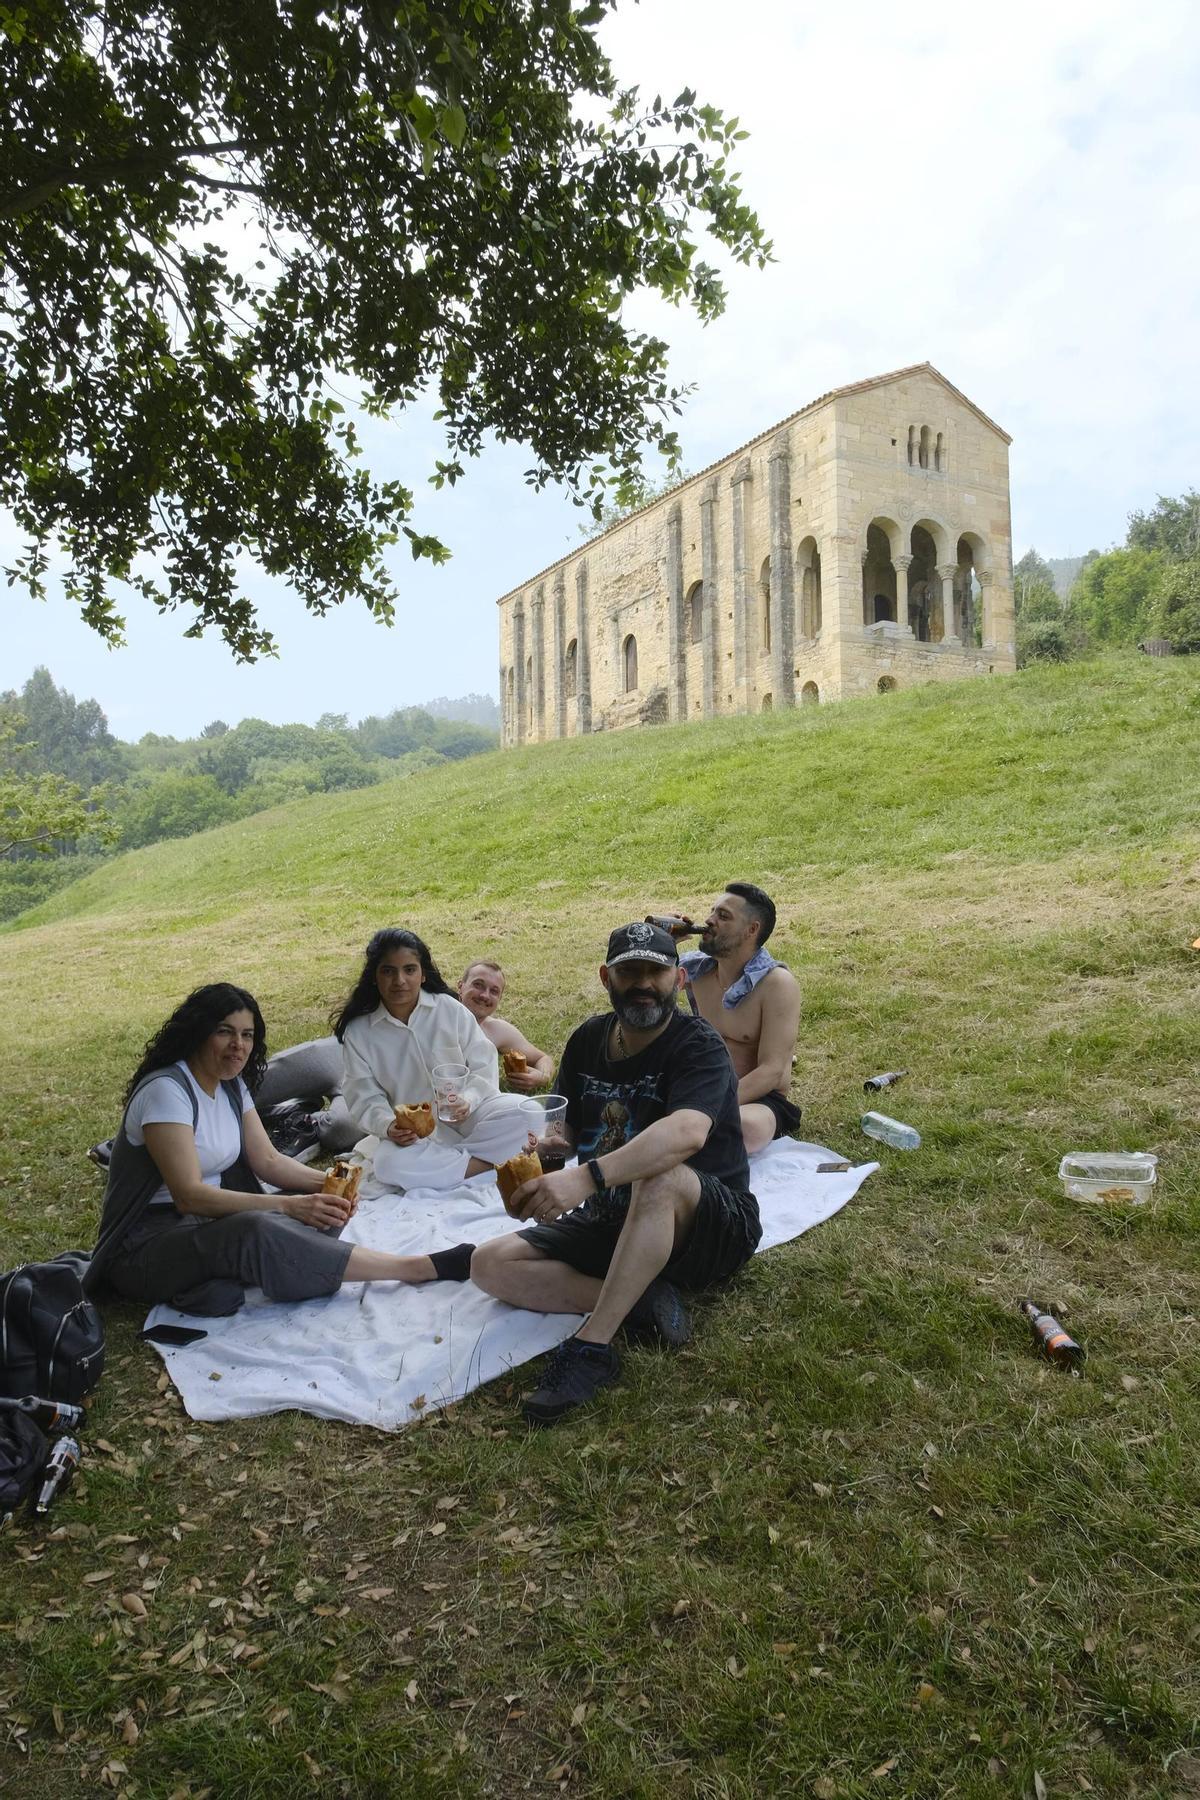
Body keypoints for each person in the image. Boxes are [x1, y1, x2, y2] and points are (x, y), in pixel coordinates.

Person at [471, 922, 761, 1426]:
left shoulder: (698, 1045)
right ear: (607, 977)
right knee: (488, 1264)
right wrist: (540, 1173)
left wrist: (583, 1181)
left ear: (680, 980)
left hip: (710, 1225)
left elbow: (687, 1134)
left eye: (656, 971)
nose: (644, 983)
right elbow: (563, 1133)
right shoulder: (587, 1040)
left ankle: (592, 1348)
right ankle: (642, 1300)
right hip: (615, 1217)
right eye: (630, 972)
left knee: (661, 1173)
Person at [89, 983, 474, 1316]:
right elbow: (189, 1196)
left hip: (207, 1226)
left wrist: (329, 1184)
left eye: (247, 1035)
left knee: (325, 1207)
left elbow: (269, 1161)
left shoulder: (229, 1085)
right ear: (198, 1032)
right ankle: (416, 1268)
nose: (238, 1046)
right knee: (257, 1227)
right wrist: (287, 1206)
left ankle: (253, 1268)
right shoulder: (166, 1092)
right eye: (225, 1032)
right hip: (146, 1247)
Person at [333, 930, 528, 1178]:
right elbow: (363, 1096)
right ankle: (485, 1165)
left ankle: (446, 1166)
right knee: (387, 1164)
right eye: (388, 971)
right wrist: (389, 1125)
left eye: (409, 969)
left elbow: (483, 1063)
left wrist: (468, 1099)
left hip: (469, 1115)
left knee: (525, 1111)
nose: (399, 980)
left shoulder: (450, 1010)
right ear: (374, 976)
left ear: (423, 973)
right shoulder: (360, 1032)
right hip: (413, 1134)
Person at [678, 883, 802, 1154]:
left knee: (746, 1129)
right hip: (702, 1084)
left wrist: (713, 1106)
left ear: (752, 930)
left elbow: (772, 1071)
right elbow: (643, 998)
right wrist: (666, 943)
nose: (709, 920)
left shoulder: (776, 984)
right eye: (712, 912)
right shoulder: (695, 972)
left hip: (756, 1099)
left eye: (723, 916)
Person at [456, 960, 556, 1092]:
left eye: (494, 991)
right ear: (460, 986)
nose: (485, 995)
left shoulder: (496, 1030)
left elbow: (543, 1058)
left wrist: (542, 1077)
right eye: (478, 985)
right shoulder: (437, 1017)